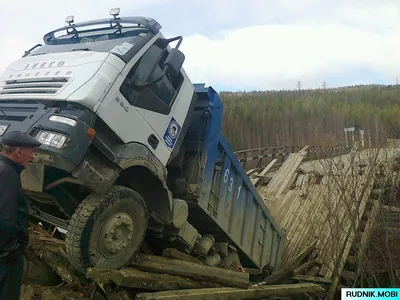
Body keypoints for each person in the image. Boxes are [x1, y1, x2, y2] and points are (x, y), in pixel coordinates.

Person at [0, 131, 41, 300]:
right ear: (18, 152)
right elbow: (5, 216)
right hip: (6, 257)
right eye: (31, 151)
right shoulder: (8, 174)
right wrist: (11, 252)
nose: (33, 156)